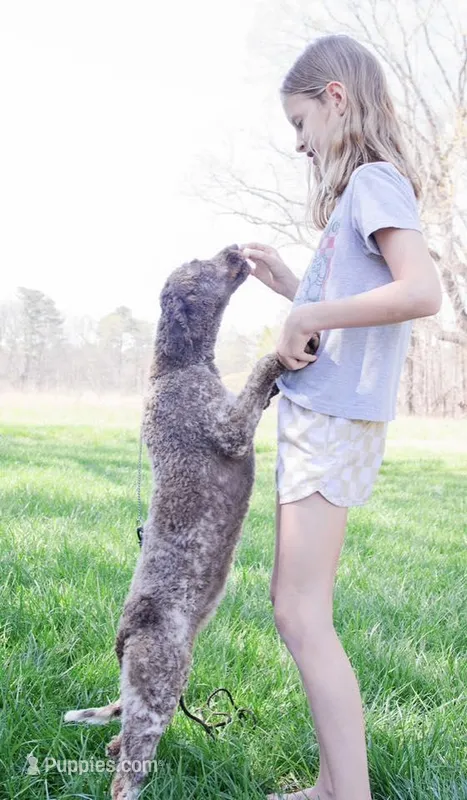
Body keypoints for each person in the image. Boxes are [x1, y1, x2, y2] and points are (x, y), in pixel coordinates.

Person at [240, 34, 442, 800]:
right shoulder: (360, 194)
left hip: (327, 423)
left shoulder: (376, 182)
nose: (296, 145)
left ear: (335, 98)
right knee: (299, 608)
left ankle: (344, 795)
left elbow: (419, 291)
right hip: (327, 418)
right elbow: (344, 314)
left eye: (299, 124)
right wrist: (294, 287)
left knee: (296, 611)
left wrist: (311, 308)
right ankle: (333, 783)